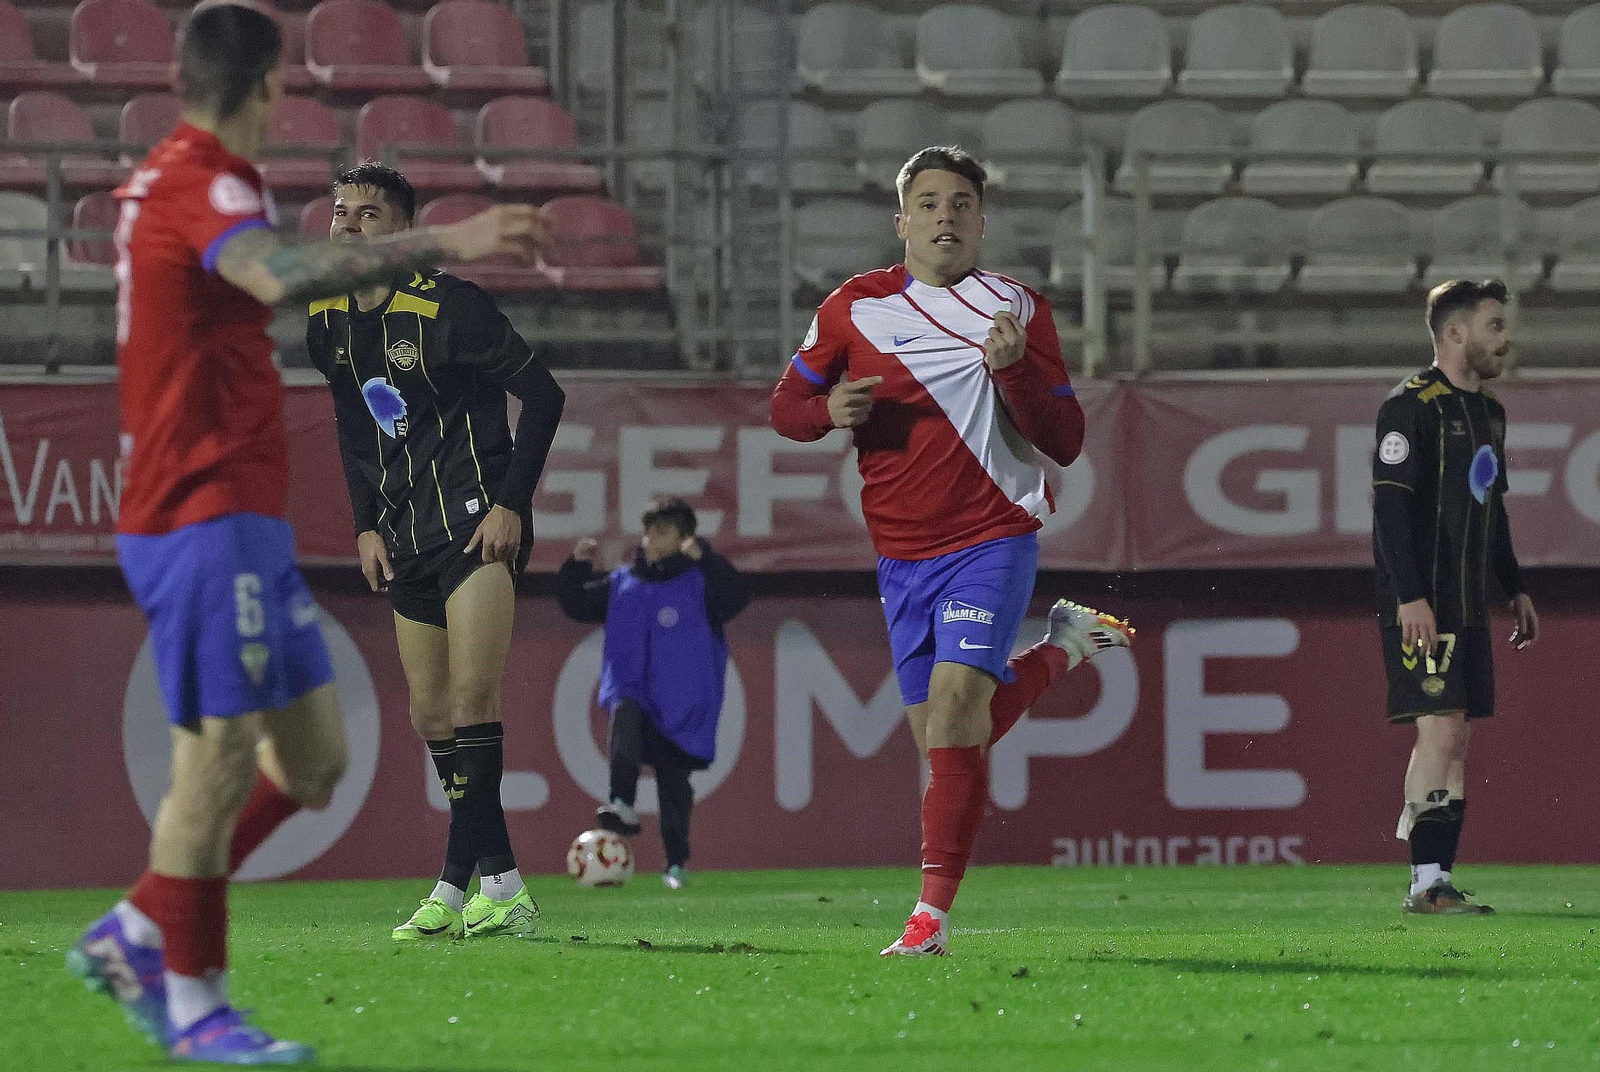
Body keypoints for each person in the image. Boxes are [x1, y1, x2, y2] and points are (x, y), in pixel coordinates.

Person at [66, 2, 549, 1062]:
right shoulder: (210, 180)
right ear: (271, 86)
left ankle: (140, 925)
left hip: (237, 516)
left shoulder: (173, 178)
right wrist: (447, 238)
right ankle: (196, 1009)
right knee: (220, 762)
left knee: (318, 757)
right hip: (198, 509)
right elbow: (273, 275)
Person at [767, 145, 1133, 957]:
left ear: (980, 221)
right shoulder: (851, 309)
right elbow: (785, 408)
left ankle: (928, 919)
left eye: (961, 203)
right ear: (902, 221)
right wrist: (829, 407)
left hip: (992, 537)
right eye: (928, 202)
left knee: (959, 714)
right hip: (901, 557)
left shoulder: (1019, 312)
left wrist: (1015, 378)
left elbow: (1066, 441)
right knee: (946, 738)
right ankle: (1063, 649)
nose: (945, 216)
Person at [306, 161, 564, 942]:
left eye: (369, 214)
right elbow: (355, 427)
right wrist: (364, 524)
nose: (348, 225)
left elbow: (544, 395)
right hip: (404, 532)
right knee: (428, 714)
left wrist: (512, 506)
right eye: (340, 212)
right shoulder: (325, 318)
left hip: (473, 527)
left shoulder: (452, 308)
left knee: (470, 703)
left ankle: (467, 886)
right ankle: (492, 887)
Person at [1373, 279, 1539, 916]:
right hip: (1423, 602)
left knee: (1459, 738)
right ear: (1455, 332)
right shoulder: (1409, 406)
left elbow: (1490, 509)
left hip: (1470, 603)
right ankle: (1424, 885)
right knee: (1437, 731)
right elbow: (1389, 509)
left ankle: (1439, 876)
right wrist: (1410, 597)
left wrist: (1515, 585)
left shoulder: (1490, 413)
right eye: (1496, 325)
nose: (1507, 337)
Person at [556, 497, 752, 889]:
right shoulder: (623, 583)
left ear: (684, 538)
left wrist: (707, 558)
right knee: (625, 714)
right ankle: (622, 803)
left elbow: (736, 597)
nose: (650, 539)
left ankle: (676, 862)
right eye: (648, 530)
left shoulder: (700, 583)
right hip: (635, 690)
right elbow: (576, 601)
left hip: (681, 703)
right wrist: (576, 565)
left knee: (673, 782)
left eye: (662, 531)